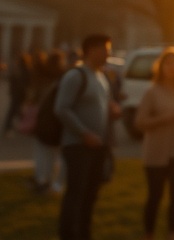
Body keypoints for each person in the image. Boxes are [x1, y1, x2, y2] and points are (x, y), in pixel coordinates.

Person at [55, 33, 120, 240]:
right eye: (105, 50)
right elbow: (61, 108)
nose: (108, 54)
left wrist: (111, 110)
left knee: (90, 195)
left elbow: (102, 105)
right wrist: (84, 133)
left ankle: (84, 233)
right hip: (78, 146)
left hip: (98, 146)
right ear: (91, 50)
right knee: (76, 194)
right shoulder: (76, 76)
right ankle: (68, 234)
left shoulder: (101, 76)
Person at [134, 47, 174, 240]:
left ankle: (173, 232)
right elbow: (140, 122)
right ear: (160, 67)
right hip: (157, 153)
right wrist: (163, 119)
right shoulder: (152, 92)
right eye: (168, 63)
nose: (172, 68)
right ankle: (149, 233)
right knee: (155, 195)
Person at [30, 48, 68, 195]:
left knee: (43, 152)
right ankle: (51, 182)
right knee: (54, 154)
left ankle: (42, 180)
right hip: (55, 121)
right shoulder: (64, 77)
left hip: (45, 119)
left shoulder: (43, 74)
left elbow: (36, 95)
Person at [4, 50, 31, 137]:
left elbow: (13, 82)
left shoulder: (18, 69)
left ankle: (11, 126)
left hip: (16, 93)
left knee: (15, 109)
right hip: (21, 93)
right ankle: (11, 126)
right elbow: (27, 83)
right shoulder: (26, 70)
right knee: (16, 109)